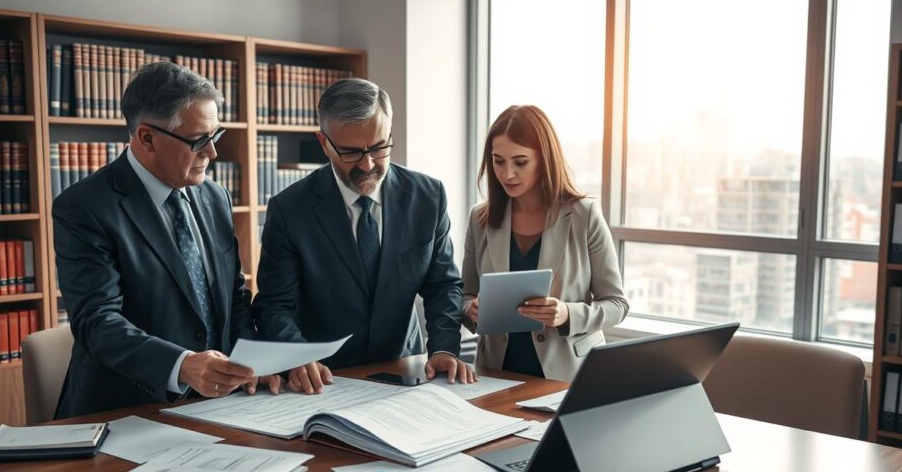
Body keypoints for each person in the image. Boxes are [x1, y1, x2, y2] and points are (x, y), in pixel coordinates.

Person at [53, 62, 274, 419]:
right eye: (199, 140)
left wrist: (248, 365)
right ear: (147, 138)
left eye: (216, 136)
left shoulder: (214, 197)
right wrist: (182, 365)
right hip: (125, 412)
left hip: (218, 408)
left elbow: (233, 295)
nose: (213, 153)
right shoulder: (83, 207)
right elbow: (97, 320)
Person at [253, 78, 475, 393]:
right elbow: (275, 304)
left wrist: (444, 348)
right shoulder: (290, 210)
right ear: (324, 143)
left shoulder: (428, 196)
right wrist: (296, 357)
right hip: (325, 379)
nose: (368, 164)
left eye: (379, 147)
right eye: (351, 152)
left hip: (407, 370)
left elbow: (442, 285)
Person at [461, 105, 628, 381]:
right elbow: (464, 295)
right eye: (498, 161)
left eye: (520, 162)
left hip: (569, 377)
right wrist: (471, 309)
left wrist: (567, 313)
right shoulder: (480, 218)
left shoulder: (583, 215)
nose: (507, 174)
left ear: (544, 159)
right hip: (496, 374)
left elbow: (617, 304)